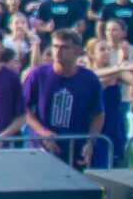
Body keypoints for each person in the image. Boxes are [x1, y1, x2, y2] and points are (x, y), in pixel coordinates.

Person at [21, 30, 106, 168]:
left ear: (77, 51)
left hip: (75, 149)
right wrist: (43, 132)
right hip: (41, 146)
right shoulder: (38, 75)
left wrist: (90, 141)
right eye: (55, 46)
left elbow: (98, 113)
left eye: (64, 47)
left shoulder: (89, 79)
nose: (58, 51)